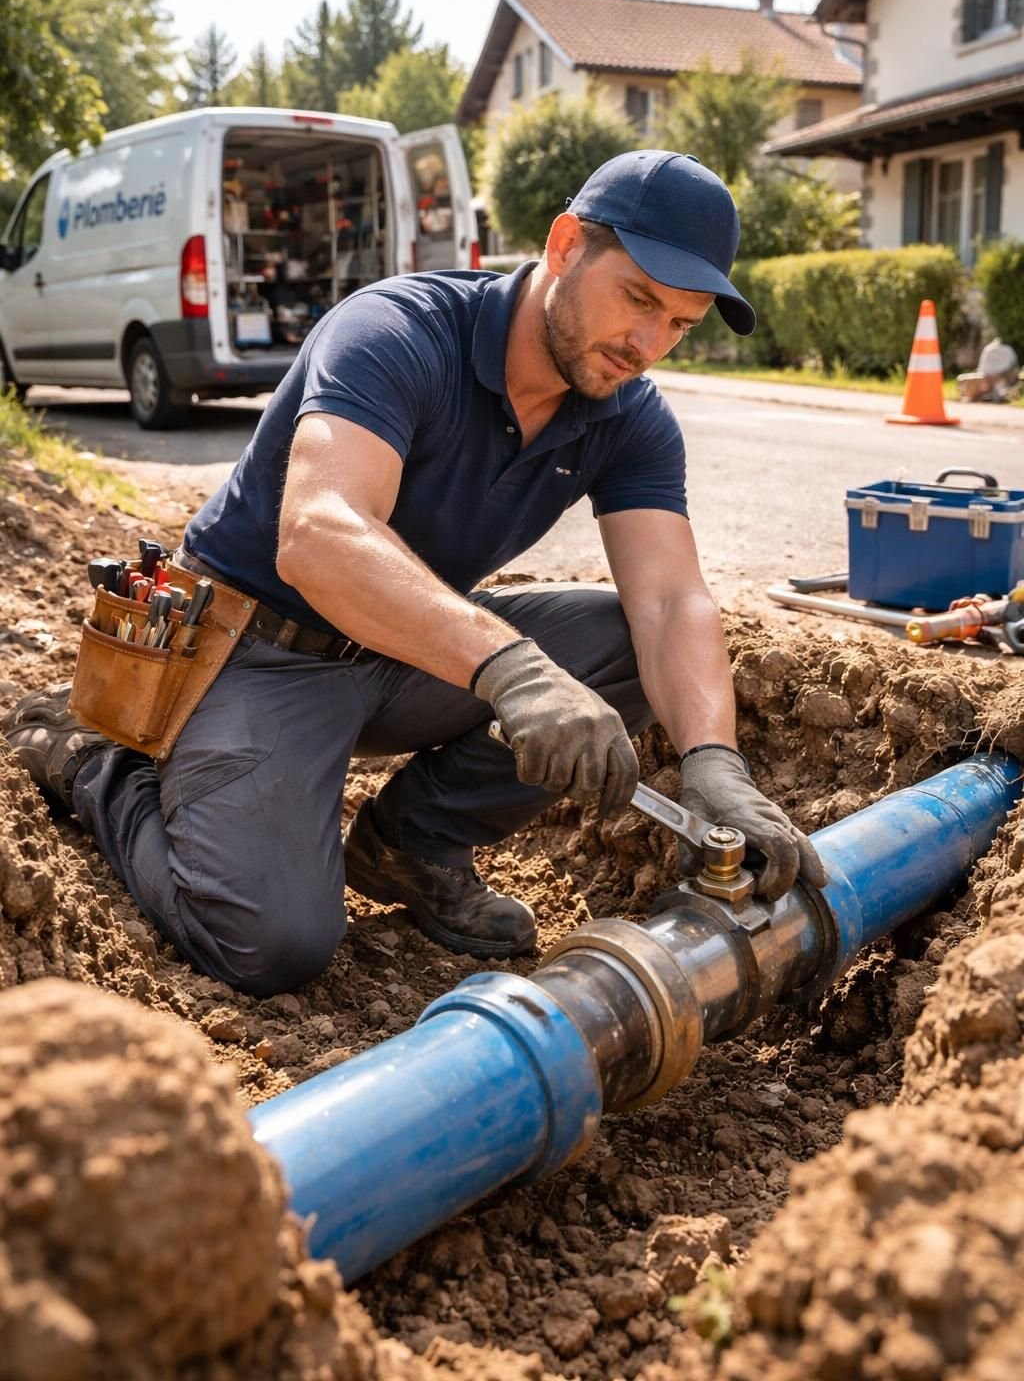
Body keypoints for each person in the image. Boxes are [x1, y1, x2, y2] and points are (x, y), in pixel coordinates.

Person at [3, 151, 824, 997]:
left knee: (620, 643)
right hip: (257, 649)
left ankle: (410, 844)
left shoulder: (629, 419)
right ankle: (97, 763)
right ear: (567, 245)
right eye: (640, 300)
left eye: (680, 325)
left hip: (402, 652)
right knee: (270, 942)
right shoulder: (399, 331)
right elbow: (319, 535)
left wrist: (716, 762)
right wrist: (512, 669)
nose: (647, 345)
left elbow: (671, 601)